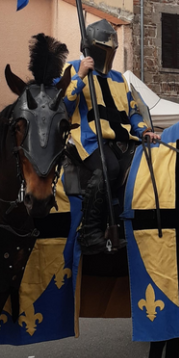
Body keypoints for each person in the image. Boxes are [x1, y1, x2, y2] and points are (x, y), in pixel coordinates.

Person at [60, 19, 160, 254]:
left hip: (123, 141)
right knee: (109, 168)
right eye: (102, 49)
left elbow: (133, 110)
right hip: (88, 140)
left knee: (145, 167)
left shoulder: (120, 79)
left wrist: (144, 131)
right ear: (89, 47)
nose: (107, 54)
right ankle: (90, 232)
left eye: (110, 50)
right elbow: (63, 104)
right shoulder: (72, 69)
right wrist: (81, 75)